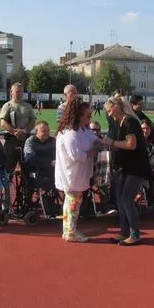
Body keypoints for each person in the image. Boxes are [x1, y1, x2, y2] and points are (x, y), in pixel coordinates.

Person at [103, 95, 151, 246]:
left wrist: (112, 142)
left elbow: (131, 144)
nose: (108, 114)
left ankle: (134, 234)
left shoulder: (130, 122)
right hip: (125, 167)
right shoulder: (119, 123)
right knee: (120, 199)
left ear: (117, 107)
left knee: (126, 199)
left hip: (136, 167)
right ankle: (124, 232)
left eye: (109, 111)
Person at [55, 98, 101, 243]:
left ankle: (68, 229)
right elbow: (76, 155)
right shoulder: (70, 132)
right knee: (73, 202)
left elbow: (94, 139)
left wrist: (104, 142)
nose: (89, 118)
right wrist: (92, 152)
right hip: (72, 173)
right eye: (87, 115)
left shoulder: (83, 129)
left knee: (72, 201)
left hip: (79, 173)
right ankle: (70, 232)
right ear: (78, 115)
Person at [0, 83, 36, 174]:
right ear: (11, 92)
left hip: (25, 140)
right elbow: (3, 123)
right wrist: (14, 132)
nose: (19, 93)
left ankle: (26, 183)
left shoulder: (28, 106)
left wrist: (25, 131)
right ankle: (7, 183)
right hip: (11, 140)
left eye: (21, 91)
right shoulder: (7, 106)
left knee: (27, 167)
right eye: (17, 91)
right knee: (8, 168)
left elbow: (32, 121)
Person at [23, 120, 56, 190]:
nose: (46, 133)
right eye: (43, 131)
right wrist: (49, 162)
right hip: (34, 171)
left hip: (50, 170)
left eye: (48, 131)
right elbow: (30, 158)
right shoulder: (30, 141)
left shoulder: (53, 141)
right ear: (36, 132)